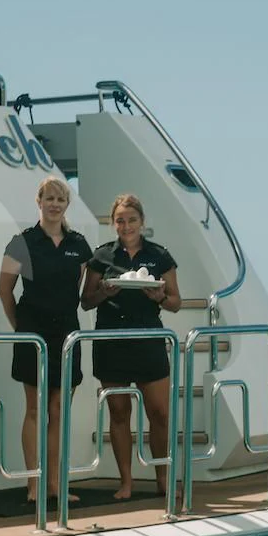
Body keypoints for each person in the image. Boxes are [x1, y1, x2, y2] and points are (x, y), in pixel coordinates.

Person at [0, 176, 93, 503]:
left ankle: (55, 484)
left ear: (67, 205)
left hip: (66, 333)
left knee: (58, 409)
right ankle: (33, 484)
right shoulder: (21, 243)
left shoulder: (79, 244)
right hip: (33, 333)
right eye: (49, 198)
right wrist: (21, 328)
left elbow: (78, 290)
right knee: (35, 409)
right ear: (38, 201)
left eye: (60, 199)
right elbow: (4, 290)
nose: (54, 204)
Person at [81, 194, 181, 499]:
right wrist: (105, 292)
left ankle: (162, 478)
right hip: (111, 340)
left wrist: (159, 297)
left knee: (159, 413)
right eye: (120, 220)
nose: (126, 226)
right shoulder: (101, 256)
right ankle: (126, 482)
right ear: (114, 223)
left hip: (148, 338)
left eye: (132, 220)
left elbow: (176, 302)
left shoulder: (160, 255)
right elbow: (86, 301)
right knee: (119, 412)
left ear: (142, 222)